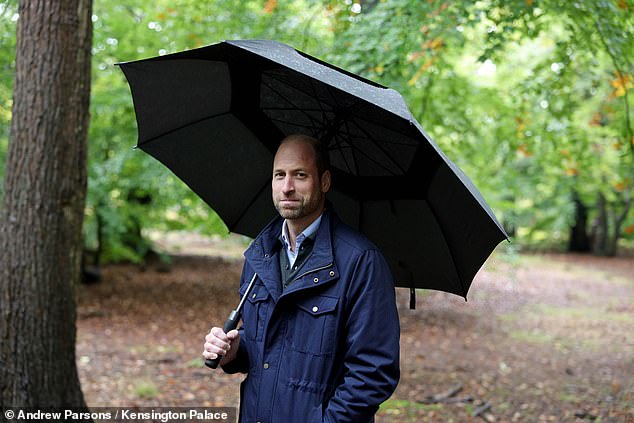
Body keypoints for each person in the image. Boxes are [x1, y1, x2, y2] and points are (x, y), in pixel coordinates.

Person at [202, 134, 400, 422]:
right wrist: (236, 350)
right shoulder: (260, 254)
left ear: (325, 181)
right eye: (279, 175)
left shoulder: (361, 261)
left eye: (300, 175)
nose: (287, 187)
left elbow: (373, 372)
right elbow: (267, 343)